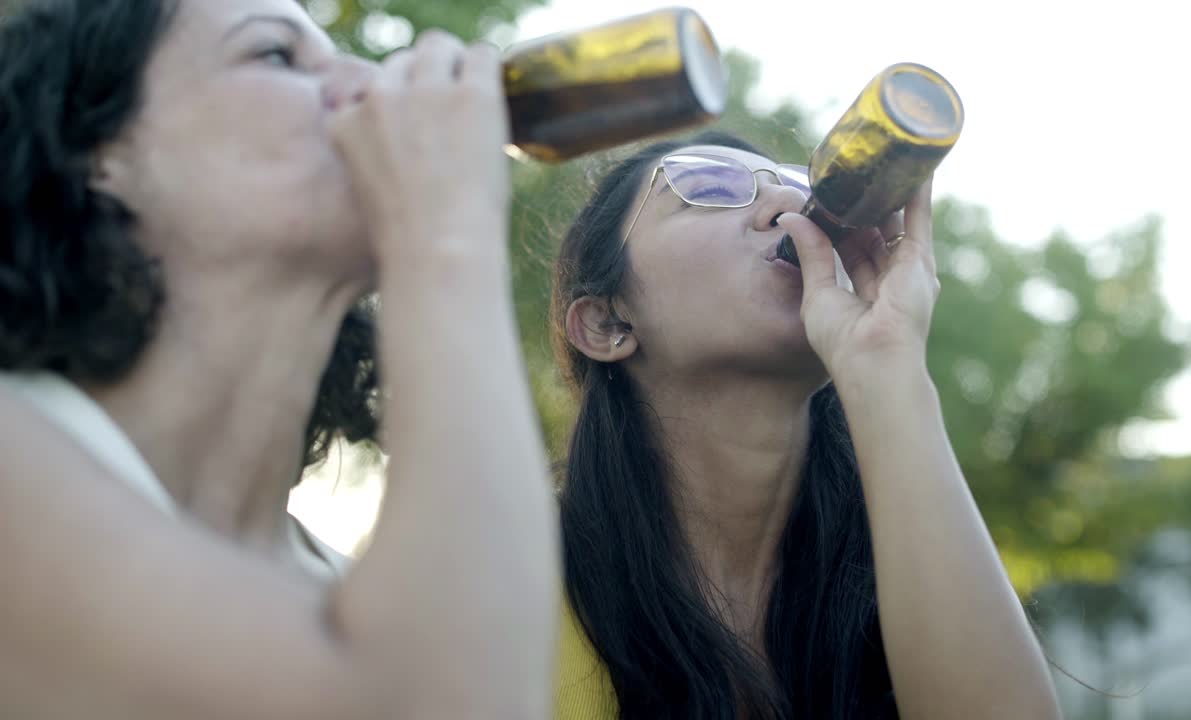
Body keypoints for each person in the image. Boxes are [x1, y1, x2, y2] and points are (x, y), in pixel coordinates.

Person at [0, 0, 557, 718]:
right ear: (98, 151)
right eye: (276, 55)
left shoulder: (356, 593)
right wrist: (448, 234)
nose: (367, 79)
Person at [549, 131, 1063, 719]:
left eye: (800, 190)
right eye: (710, 189)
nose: (790, 208)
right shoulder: (510, 581)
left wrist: (887, 364)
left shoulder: (900, 581)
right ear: (607, 323)